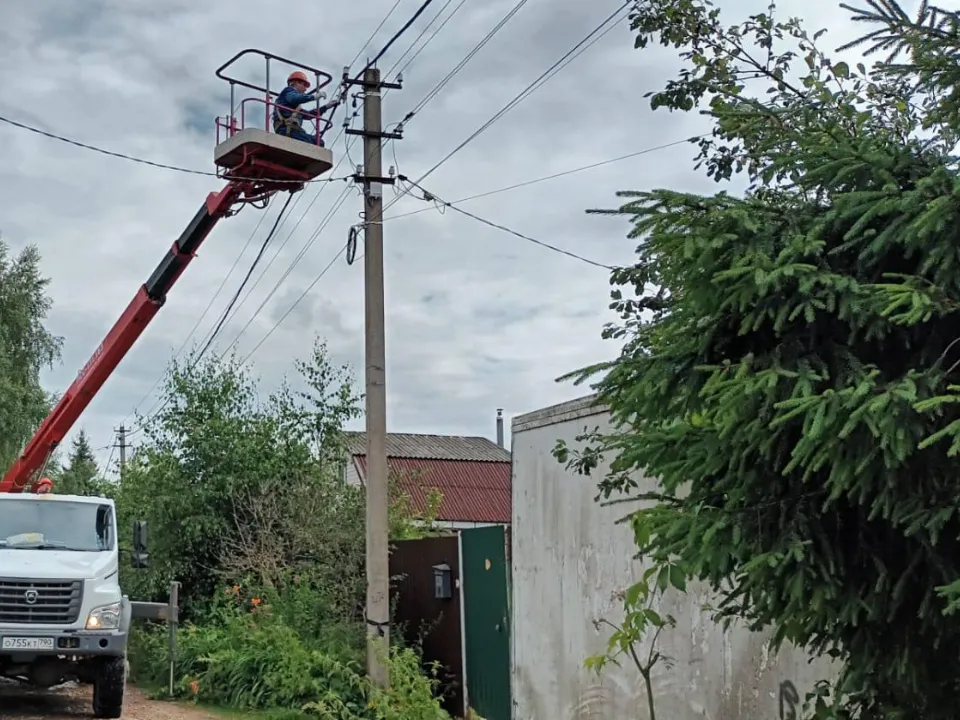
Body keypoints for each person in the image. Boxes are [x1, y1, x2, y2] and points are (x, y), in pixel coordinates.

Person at [273, 71, 335, 147]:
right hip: (286, 130)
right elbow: (295, 98)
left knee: (318, 141)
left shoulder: (292, 107)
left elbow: (308, 115)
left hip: (290, 130)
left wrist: (326, 107)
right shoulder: (288, 91)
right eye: (304, 85)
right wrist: (314, 97)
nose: (305, 89)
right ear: (295, 82)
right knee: (318, 142)